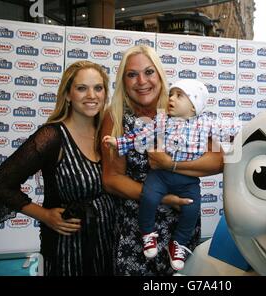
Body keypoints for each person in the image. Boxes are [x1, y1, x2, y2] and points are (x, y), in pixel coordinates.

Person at [101, 45, 224, 275]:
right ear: (124, 81)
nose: (141, 81)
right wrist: (163, 198)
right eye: (132, 74)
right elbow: (111, 179)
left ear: (159, 74)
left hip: (181, 232)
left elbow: (218, 161)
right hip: (138, 232)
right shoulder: (116, 116)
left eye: (149, 72)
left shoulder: (185, 108)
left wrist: (170, 164)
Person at [0, 61, 115, 276]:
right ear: (67, 95)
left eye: (98, 88)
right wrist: (44, 215)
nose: (92, 95)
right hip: (68, 250)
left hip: (108, 242)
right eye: (82, 88)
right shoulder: (52, 136)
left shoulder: (107, 133)